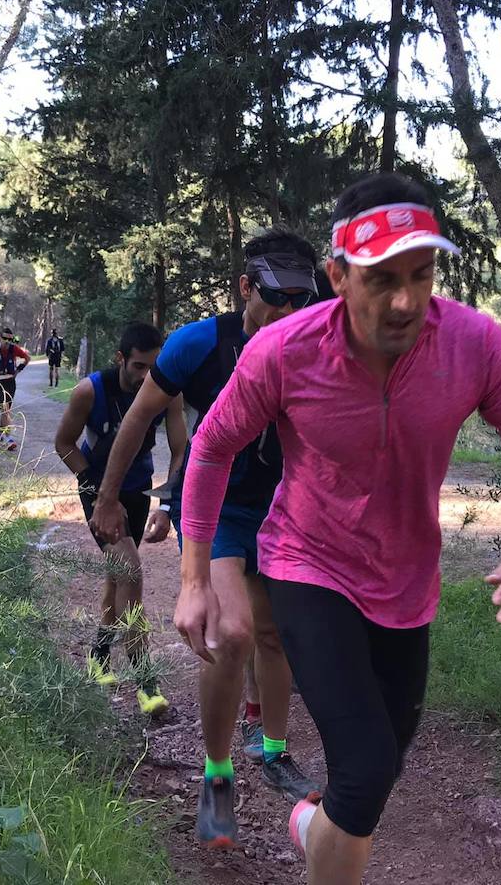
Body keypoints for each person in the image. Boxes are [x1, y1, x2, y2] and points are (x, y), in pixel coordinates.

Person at [176, 173, 501, 884]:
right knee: (365, 770)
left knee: (378, 771)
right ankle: (298, 811)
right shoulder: (283, 351)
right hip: (307, 565)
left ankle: (312, 820)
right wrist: (194, 579)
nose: (405, 301)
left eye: (421, 276)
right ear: (337, 276)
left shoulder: (473, 344)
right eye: (381, 279)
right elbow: (211, 447)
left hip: (405, 584)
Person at [90, 229, 324, 848]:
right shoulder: (201, 343)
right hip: (215, 504)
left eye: (301, 301)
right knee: (235, 632)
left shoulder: (312, 344)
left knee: (275, 634)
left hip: (282, 509)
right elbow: (140, 415)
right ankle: (217, 775)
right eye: (275, 299)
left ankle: (272, 749)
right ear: (245, 287)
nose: (287, 313)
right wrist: (112, 496)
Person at [54, 321, 187, 717]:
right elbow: (64, 443)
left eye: (154, 367)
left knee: (118, 576)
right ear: (121, 360)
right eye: (140, 367)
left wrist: (166, 506)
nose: (148, 376)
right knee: (130, 571)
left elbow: (180, 451)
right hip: (98, 491)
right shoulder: (89, 391)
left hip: (139, 489)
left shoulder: (169, 391)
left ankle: (98, 656)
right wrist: (97, 491)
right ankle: (145, 680)